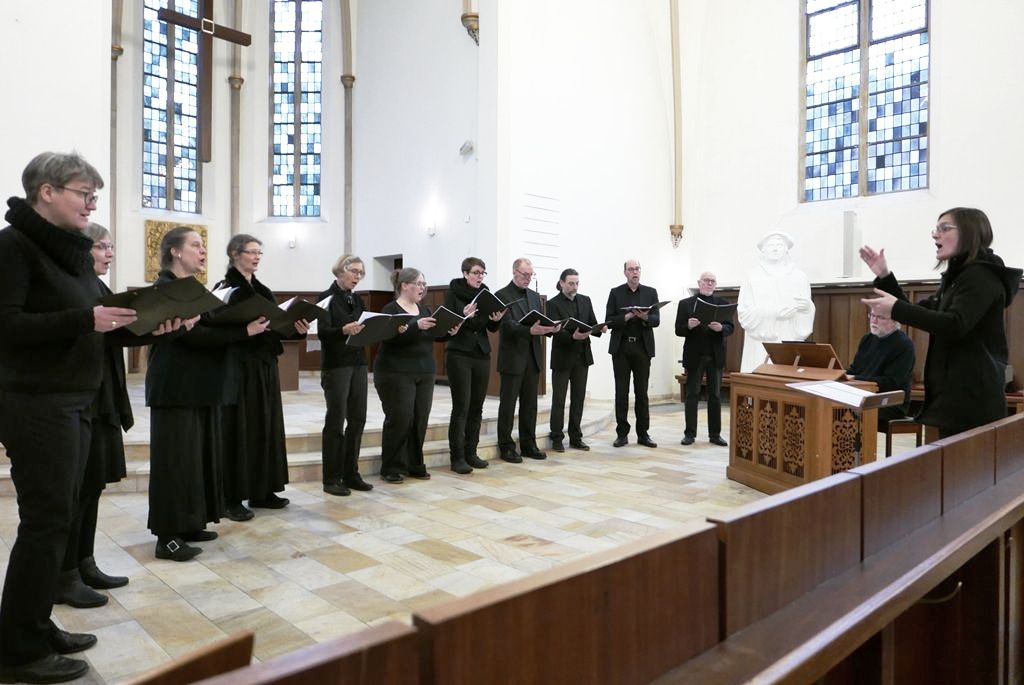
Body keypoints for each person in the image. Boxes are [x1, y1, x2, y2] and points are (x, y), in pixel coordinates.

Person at [0, 152, 138, 683]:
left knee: (61, 517)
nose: (92, 204)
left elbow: (94, 324)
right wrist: (85, 319)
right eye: (84, 193)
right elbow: (7, 326)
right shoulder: (13, 246)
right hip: (37, 401)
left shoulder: (71, 253)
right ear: (47, 191)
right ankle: (18, 649)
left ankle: (34, 624)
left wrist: (152, 326)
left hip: (77, 399)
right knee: (46, 522)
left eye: (94, 195)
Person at [146, 227, 261, 561]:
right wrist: (244, 331)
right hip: (174, 388)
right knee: (174, 463)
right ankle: (167, 536)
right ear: (175, 251)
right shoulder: (164, 289)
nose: (203, 251)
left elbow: (208, 326)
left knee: (195, 461)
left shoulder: (193, 289)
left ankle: (189, 522)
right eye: (195, 245)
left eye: (203, 245)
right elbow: (191, 336)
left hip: (199, 386)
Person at [861, 208, 1021, 438]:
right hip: (953, 397)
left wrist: (895, 308)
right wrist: (885, 277)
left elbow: (955, 325)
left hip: (973, 398)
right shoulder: (957, 278)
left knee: (966, 461)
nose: (936, 235)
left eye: (945, 228)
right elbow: (921, 312)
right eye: (936, 229)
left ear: (970, 233)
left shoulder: (981, 276)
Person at [53, 224, 140, 609]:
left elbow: (117, 333)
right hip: (79, 397)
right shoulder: (71, 286)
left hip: (102, 396)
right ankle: (64, 573)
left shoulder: (96, 285)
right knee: (75, 491)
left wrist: (162, 327)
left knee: (93, 485)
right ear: (81, 249)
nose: (110, 253)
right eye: (102, 247)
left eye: (111, 247)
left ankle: (84, 562)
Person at [214, 235, 309, 519]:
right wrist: (247, 330)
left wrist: (295, 329)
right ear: (235, 254)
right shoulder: (225, 289)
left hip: (264, 365)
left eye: (259, 253)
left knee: (265, 426)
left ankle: (262, 490)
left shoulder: (263, 290)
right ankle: (230, 497)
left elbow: (275, 327)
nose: (256, 257)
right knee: (238, 429)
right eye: (251, 252)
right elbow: (217, 328)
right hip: (238, 367)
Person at [374, 268, 457, 482]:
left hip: (424, 370)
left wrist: (448, 332)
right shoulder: (391, 309)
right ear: (404, 285)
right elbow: (389, 338)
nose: (422, 288)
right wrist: (415, 326)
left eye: (424, 284)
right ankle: (391, 466)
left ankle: (414, 463)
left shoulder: (424, 309)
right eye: (418, 284)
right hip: (396, 371)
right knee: (400, 418)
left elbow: (432, 335)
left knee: (420, 419)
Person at [317, 255, 372, 496]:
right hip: (337, 365)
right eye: (354, 272)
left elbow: (365, 326)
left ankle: (351, 473)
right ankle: (331, 478)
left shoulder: (357, 299)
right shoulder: (325, 298)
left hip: (358, 362)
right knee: (336, 421)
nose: (358, 277)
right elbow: (322, 333)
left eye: (361, 273)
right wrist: (343, 330)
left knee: (358, 419)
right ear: (341, 271)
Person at [444, 257, 505, 473]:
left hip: (481, 353)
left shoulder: (485, 294)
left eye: (482, 273)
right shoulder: (453, 293)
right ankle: (457, 457)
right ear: (465, 273)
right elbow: (447, 323)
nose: (480, 277)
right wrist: (463, 314)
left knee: (477, 407)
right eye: (476, 273)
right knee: (461, 406)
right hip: (459, 352)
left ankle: (471, 452)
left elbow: (490, 327)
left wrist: (496, 319)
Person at [495, 258, 559, 462]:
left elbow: (539, 322)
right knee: (508, 404)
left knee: (530, 405)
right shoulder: (501, 295)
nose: (528, 278)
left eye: (531, 275)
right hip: (512, 357)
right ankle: (506, 446)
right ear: (514, 272)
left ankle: (528, 444)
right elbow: (506, 326)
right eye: (525, 274)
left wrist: (551, 328)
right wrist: (529, 330)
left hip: (532, 356)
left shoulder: (533, 296)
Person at [737, 232, 815, 372]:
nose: (775, 248)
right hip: (761, 341)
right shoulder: (752, 276)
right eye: (771, 245)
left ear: (786, 250)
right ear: (763, 250)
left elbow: (807, 306)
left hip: (788, 335)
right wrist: (773, 313)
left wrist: (807, 308)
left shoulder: (799, 277)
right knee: (761, 377)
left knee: (786, 376)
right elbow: (744, 312)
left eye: (779, 245)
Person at [546, 268, 604, 452]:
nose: (575, 287)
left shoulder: (585, 300)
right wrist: (573, 337)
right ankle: (556, 437)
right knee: (559, 400)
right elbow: (553, 331)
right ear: (562, 283)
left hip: (582, 356)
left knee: (578, 399)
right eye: (571, 283)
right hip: (562, 356)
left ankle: (576, 437)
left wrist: (599, 328)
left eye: (577, 283)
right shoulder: (552, 303)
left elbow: (592, 322)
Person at [605, 259, 660, 448]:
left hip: (642, 348)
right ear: (625, 273)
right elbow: (609, 321)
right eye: (631, 269)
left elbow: (656, 320)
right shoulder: (616, 292)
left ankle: (643, 434)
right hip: (621, 348)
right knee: (621, 392)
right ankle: (622, 434)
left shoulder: (650, 292)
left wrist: (645, 317)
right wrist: (627, 316)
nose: (635, 272)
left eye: (637, 269)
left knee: (641, 392)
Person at [675, 271, 733, 447]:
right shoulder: (686, 304)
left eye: (712, 281)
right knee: (692, 394)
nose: (709, 283)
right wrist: (688, 326)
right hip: (695, 355)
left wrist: (721, 328)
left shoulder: (722, 304)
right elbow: (678, 329)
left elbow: (731, 327)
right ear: (699, 283)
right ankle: (689, 434)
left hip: (715, 355)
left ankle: (715, 435)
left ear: (715, 284)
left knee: (715, 395)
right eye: (706, 280)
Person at [845, 312, 915, 428]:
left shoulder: (904, 344)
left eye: (880, 317)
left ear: (895, 321)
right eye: (872, 316)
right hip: (863, 395)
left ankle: (860, 440)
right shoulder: (867, 339)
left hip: (890, 401)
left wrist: (855, 378)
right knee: (832, 403)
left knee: (845, 410)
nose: (874, 321)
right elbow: (854, 369)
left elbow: (891, 382)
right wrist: (841, 375)